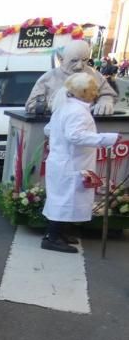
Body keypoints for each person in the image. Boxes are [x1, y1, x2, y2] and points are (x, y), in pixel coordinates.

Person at [40, 72, 121, 253]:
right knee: (64, 200)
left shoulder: (65, 107)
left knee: (64, 199)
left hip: (64, 161)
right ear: (85, 92)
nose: (95, 93)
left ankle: (58, 234)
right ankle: (52, 238)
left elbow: (49, 129)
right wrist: (108, 138)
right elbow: (75, 136)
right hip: (70, 163)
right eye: (93, 90)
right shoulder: (77, 111)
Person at [25, 40, 117, 115]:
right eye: (74, 61)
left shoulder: (95, 75)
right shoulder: (48, 78)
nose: (79, 66)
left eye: (84, 60)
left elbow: (108, 94)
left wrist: (105, 101)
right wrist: (52, 105)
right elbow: (30, 105)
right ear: (61, 59)